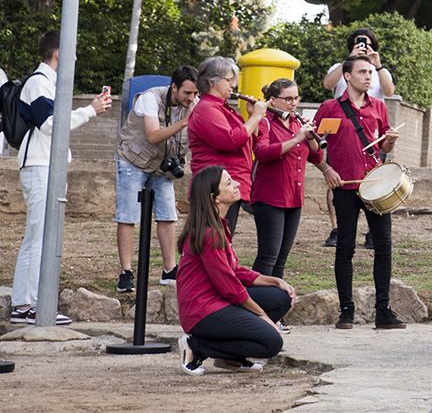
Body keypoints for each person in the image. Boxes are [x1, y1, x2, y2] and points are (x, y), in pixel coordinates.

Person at [6, 30, 113, 325]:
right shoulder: (40, 82)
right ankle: (28, 305)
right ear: (59, 54)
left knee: (40, 236)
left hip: (46, 164)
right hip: (38, 164)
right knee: (39, 236)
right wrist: (89, 111)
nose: (75, 58)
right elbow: (50, 124)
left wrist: (87, 110)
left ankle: (28, 304)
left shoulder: (49, 83)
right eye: (72, 52)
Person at [311, 54, 405, 331]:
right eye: (362, 72)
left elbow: (384, 150)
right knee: (345, 247)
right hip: (345, 187)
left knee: (384, 247)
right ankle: (346, 311)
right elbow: (315, 146)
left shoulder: (379, 107)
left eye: (370, 72)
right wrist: (327, 170)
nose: (368, 76)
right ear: (347, 76)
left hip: (376, 186)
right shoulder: (330, 108)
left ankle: (383, 311)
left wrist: (388, 144)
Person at [175, 165, 295, 375]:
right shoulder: (209, 233)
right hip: (202, 310)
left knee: (279, 297)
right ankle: (197, 346)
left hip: (218, 300)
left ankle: (231, 357)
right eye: (229, 183)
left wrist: (275, 281)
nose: (237, 183)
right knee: (271, 343)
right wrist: (263, 317)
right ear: (215, 198)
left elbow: (235, 270)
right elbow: (229, 286)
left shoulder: (220, 225)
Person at [115, 65, 199, 292]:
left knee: (168, 214)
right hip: (133, 159)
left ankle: (170, 270)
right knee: (128, 215)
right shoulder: (150, 98)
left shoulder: (193, 103)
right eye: (186, 93)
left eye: (194, 94)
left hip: (163, 165)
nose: (191, 98)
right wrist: (184, 122)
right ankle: (126, 272)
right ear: (174, 87)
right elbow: (152, 135)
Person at [252, 77, 336, 283]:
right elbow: (262, 152)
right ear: (273, 100)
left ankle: (275, 305)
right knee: (268, 256)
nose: (293, 103)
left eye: (296, 98)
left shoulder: (298, 122)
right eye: (288, 98)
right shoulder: (264, 122)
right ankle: (256, 302)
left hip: (294, 197)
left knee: (281, 259)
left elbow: (316, 157)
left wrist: (310, 138)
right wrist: (296, 139)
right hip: (270, 197)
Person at [186, 57, 264, 232]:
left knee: (222, 238)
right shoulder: (207, 109)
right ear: (212, 81)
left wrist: (252, 118)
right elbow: (231, 141)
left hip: (229, 183)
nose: (233, 85)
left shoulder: (223, 108)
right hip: (215, 188)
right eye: (229, 80)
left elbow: (249, 141)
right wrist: (256, 116)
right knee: (213, 240)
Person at [322, 27, 396, 102]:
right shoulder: (339, 67)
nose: (362, 47)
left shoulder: (381, 72)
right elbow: (327, 85)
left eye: (366, 45)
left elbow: (389, 92)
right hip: (343, 112)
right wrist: (348, 60)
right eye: (358, 44)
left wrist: (378, 66)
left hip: (371, 113)